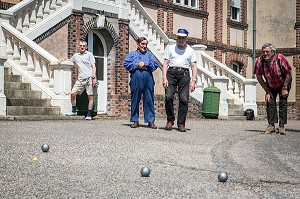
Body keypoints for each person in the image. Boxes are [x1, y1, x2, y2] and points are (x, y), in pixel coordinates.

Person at [162, 29, 198, 132]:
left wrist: (193, 81)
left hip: (184, 74)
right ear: (177, 38)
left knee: (184, 99)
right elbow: (165, 63)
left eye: (183, 38)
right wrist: (164, 78)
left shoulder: (190, 50)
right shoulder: (170, 48)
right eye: (179, 37)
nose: (181, 40)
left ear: (186, 38)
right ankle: (170, 120)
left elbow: (194, 66)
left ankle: (181, 123)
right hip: (171, 73)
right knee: (168, 97)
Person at [254, 43, 293, 135]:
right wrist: (267, 91)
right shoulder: (259, 61)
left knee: (283, 102)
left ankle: (282, 126)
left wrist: (284, 88)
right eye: (263, 52)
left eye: (267, 52)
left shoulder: (280, 59)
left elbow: (289, 73)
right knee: (269, 101)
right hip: (271, 84)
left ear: (273, 52)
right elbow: (259, 77)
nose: (265, 54)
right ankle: (271, 126)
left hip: (283, 82)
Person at [123, 37, 159, 129]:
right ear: (138, 44)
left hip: (148, 79)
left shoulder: (149, 55)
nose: (144, 46)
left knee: (149, 99)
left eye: (146, 44)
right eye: (143, 44)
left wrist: (146, 64)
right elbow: (126, 63)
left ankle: (150, 121)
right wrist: (137, 65)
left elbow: (155, 65)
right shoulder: (132, 54)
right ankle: (135, 120)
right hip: (136, 79)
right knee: (135, 99)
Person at [65, 40, 97, 120]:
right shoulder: (76, 56)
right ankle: (73, 110)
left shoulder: (89, 55)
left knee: (90, 97)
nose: (82, 47)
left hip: (89, 78)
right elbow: (70, 61)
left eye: (83, 46)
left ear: (86, 47)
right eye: (81, 46)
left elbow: (94, 66)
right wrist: (62, 60)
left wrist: (93, 78)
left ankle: (89, 114)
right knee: (72, 93)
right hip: (80, 79)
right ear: (79, 47)